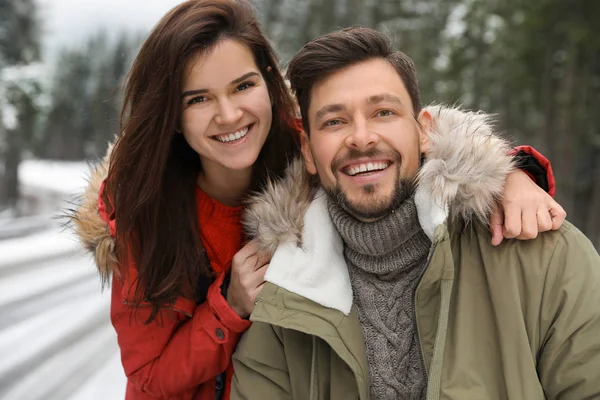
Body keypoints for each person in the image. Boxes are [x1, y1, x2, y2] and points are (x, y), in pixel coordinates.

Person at [68, 1, 561, 399]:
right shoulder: (145, 218)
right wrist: (227, 306)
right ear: (173, 116)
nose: (228, 113)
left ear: (267, 81)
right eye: (198, 99)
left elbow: (406, 133)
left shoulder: (308, 145)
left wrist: (507, 174)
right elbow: (148, 380)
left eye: (243, 86)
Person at [231, 27, 600, 399]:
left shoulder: (542, 255)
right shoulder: (282, 300)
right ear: (309, 152)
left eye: (384, 112)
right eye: (334, 122)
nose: (361, 137)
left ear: (424, 131)